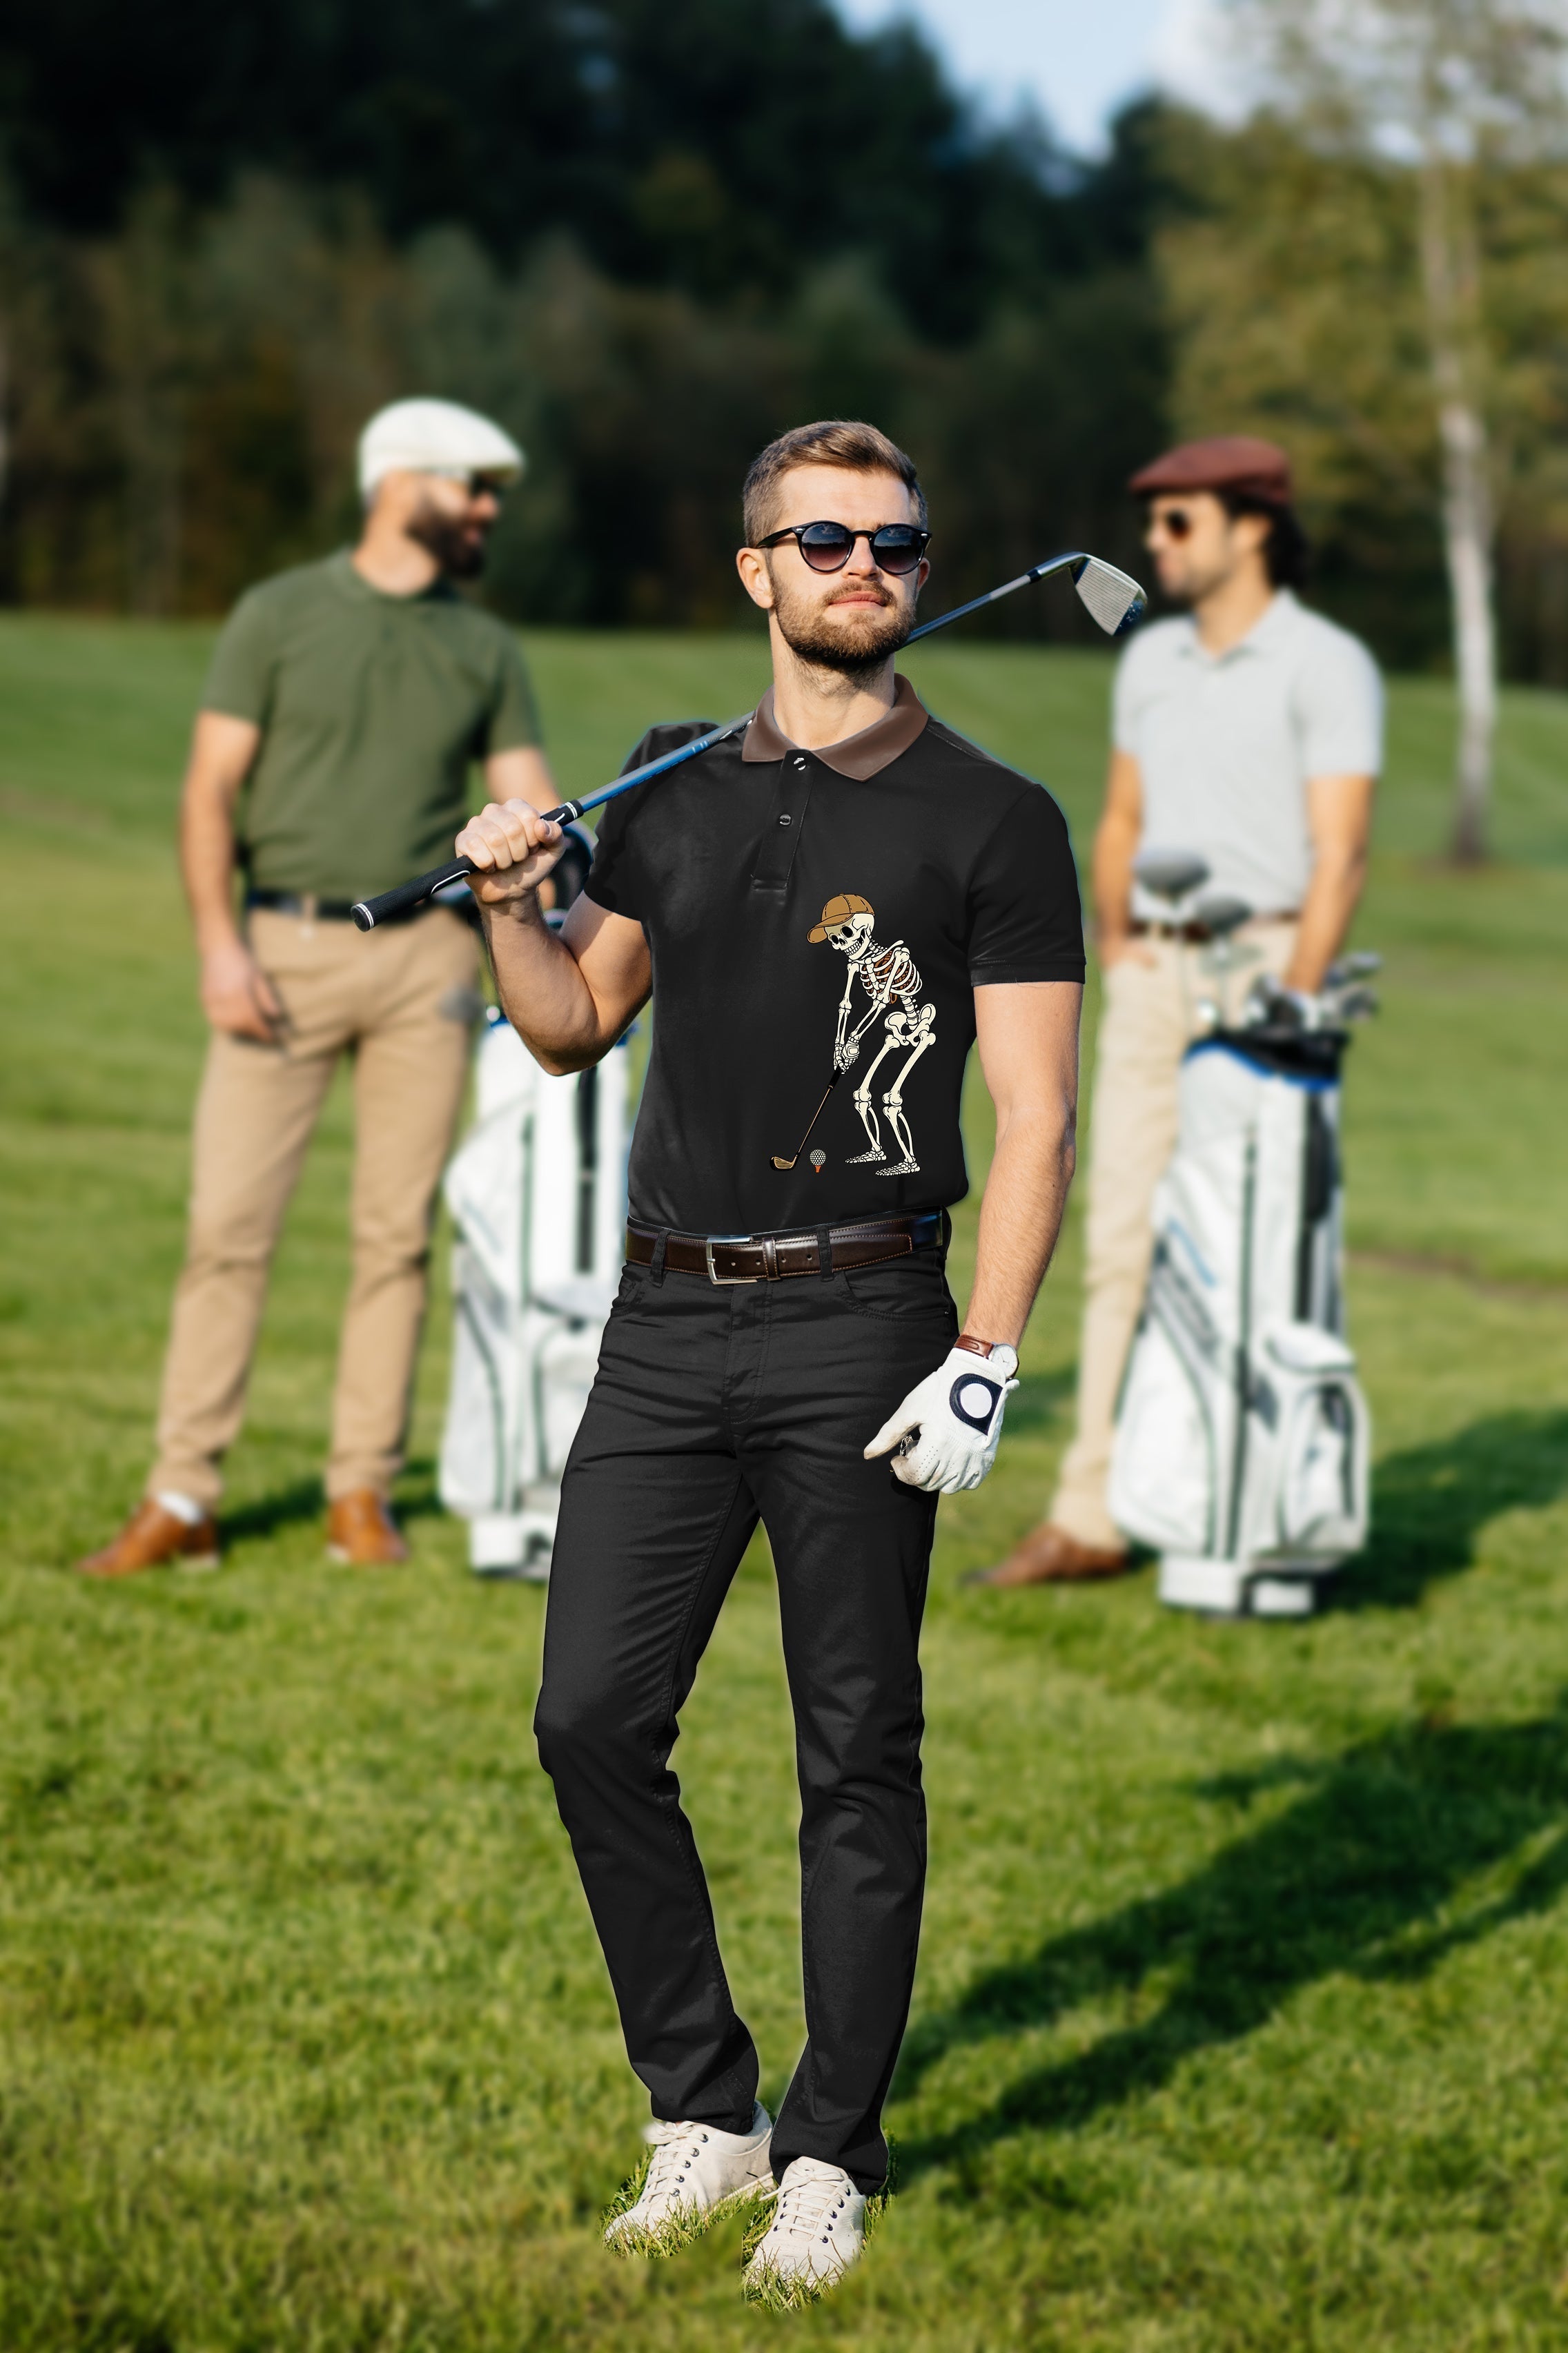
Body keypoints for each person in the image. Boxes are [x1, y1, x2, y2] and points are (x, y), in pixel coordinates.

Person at [452, 419, 1084, 2302]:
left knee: (853, 1748)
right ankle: (702, 2109)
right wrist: (508, 903)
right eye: (823, 539)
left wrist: (986, 1352)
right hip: (663, 1320)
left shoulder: (995, 818)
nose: (863, 565)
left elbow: (1038, 1112)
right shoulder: (667, 784)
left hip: (865, 1318)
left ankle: (828, 2154)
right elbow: (569, 1025)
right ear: (758, 573)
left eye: (894, 540)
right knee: (587, 1716)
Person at [77, 398, 557, 1577]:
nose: (487, 510)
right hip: (279, 950)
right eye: (471, 486)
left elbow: (535, 802)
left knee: (395, 1237)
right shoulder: (277, 614)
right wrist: (218, 947)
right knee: (226, 1229)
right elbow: (209, 791)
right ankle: (183, 1494)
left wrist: (558, 863)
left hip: (429, 964)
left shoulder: (485, 647)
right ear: (399, 483)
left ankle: (360, 1495)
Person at [975, 433, 1382, 1589]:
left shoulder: (1327, 663)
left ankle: (1250, 1504)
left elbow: (1342, 854)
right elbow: (1122, 818)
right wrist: (1120, 940)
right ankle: (1094, 1511)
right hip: (1155, 975)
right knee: (1120, 1242)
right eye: (1152, 521)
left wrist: (1294, 999)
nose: (1154, 542)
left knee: (1255, 1248)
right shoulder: (1150, 660)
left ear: (1253, 526)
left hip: (1268, 972)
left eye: (1179, 520)